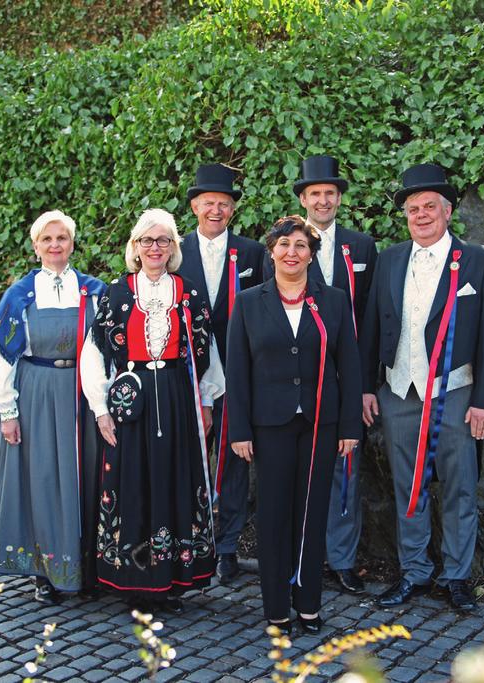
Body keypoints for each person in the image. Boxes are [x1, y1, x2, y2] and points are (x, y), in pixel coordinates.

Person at [359, 164, 484, 610]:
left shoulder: (480, 262)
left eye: (429, 207)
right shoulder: (389, 259)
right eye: (412, 209)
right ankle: (415, 572)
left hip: (455, 392)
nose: (420, 215)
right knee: (408, 486)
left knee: (460, 485)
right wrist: (369, 387)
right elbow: (370, 327)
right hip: (399, 391)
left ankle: (457, 576)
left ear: (447, 211)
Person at [80, 208, 224, 613]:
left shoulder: (189, 292)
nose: (155, 248)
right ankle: (135, 582)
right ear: (135, 247)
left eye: (163, 241)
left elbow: (205, 354)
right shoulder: (116, 294)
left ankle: (172, 580)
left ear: (174, 247)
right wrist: (100, 409)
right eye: (147, 240)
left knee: (175, 481)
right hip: (131, 403)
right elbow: (95, 355)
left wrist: (206, 401)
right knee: (134, 483)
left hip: (178, 400)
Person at [226, 215, 362, 634]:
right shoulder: (249, 302)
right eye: (283, 244)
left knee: (311, 511)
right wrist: (240, 430)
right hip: (269, 425)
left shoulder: (334, 300)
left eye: (301, 245)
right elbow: (237, 371)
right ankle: (276, 609)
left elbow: (351, 367)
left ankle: (308, 603)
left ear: (311, 254)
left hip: (322, 423)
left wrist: (350, 427)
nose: (291, 252)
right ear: (271, 252)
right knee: (273, 514)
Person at [0, 210, 106, 604]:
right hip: (36, 393)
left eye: (63, 238)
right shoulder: (20, 294)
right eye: (48, 239)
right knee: (42, 480)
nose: (56, 245)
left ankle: (84, 567)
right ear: (36, 246)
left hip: (82, 396)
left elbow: (108, 350)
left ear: (72, 244)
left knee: (83, 478)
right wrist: (8, 411)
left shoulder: (94, 291)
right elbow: (1, 358)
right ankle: (45, 571)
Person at [289, 155, 378, 595]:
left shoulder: (360, 248)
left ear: (339, 198)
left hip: (343, 379)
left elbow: (371, 318)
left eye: (329, 193)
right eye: (314, 194)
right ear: (303, 199)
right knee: (294, 470)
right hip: (293, 380)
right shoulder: (285, 244)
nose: (322, 201)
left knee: (345, 469)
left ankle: (341, 558)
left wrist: (363, 387)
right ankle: (300, 556)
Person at [176, 163, 265, 583]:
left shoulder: (250, 253)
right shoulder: (173, 251)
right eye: (208, 203)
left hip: (236, 374)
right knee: (188, 457)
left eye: (224, 204)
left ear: (232, 210)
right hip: (185, 373)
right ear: (194, 206)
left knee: (233, 460)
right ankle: (187, 540)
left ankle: (227, 545)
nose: (216, 210)